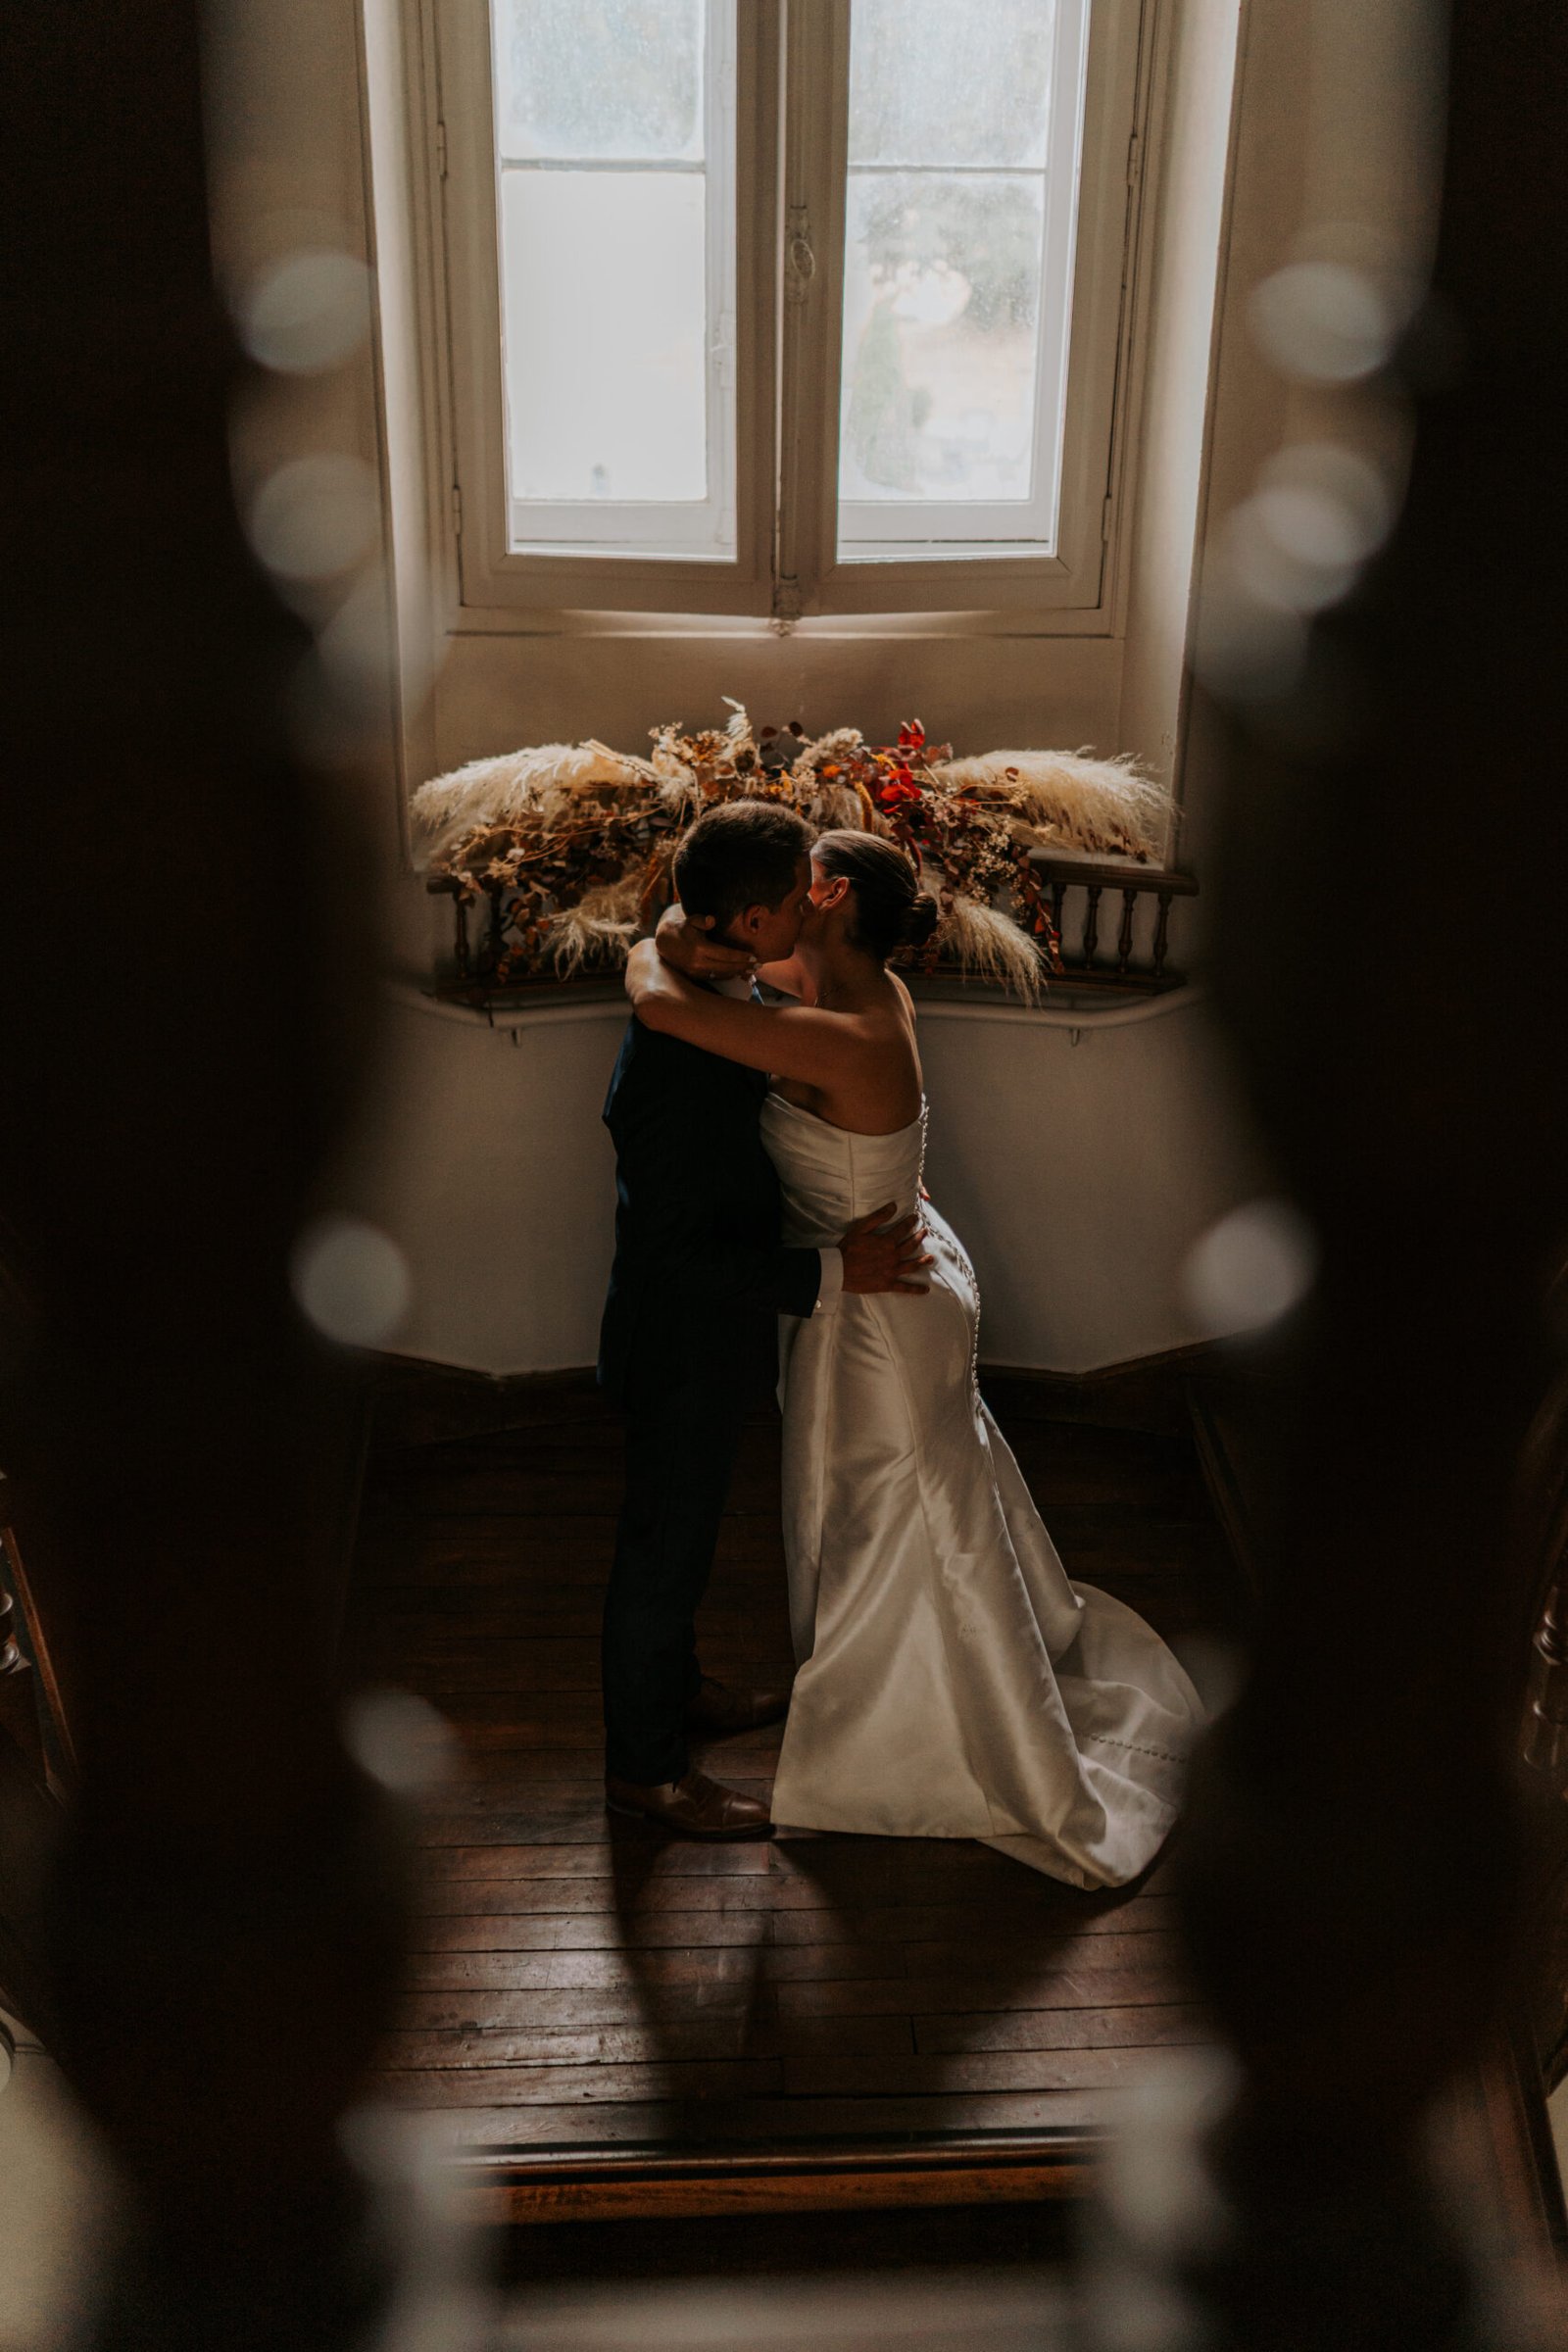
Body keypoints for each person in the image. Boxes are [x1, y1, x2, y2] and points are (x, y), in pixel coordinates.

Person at [625, 827, 1204, 1886]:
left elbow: (662, 1004)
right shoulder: (851, 986)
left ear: (828, 896)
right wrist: (675, 932)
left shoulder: (841, 1032)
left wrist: (662, 941)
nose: (786, 899)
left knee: (892, 1521)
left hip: (876, 1309)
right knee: (911, 1508)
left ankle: (911, 1733)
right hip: (897, 1270)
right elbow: (715, 974)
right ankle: (901, 1690)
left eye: (800, 879)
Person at [598, 801, 932, 1840]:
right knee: (662, 1552)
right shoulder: (688, 1043)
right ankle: (647, 1773)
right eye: (797, 896)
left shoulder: (723, 989)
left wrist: (663, 939)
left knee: (688, 1537)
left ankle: (682, 1689)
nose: (809, 905)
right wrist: (829, 1270)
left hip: (723, 1326)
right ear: (751, 922)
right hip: (679, 1335)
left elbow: (667, 966)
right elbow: (674, 1255)